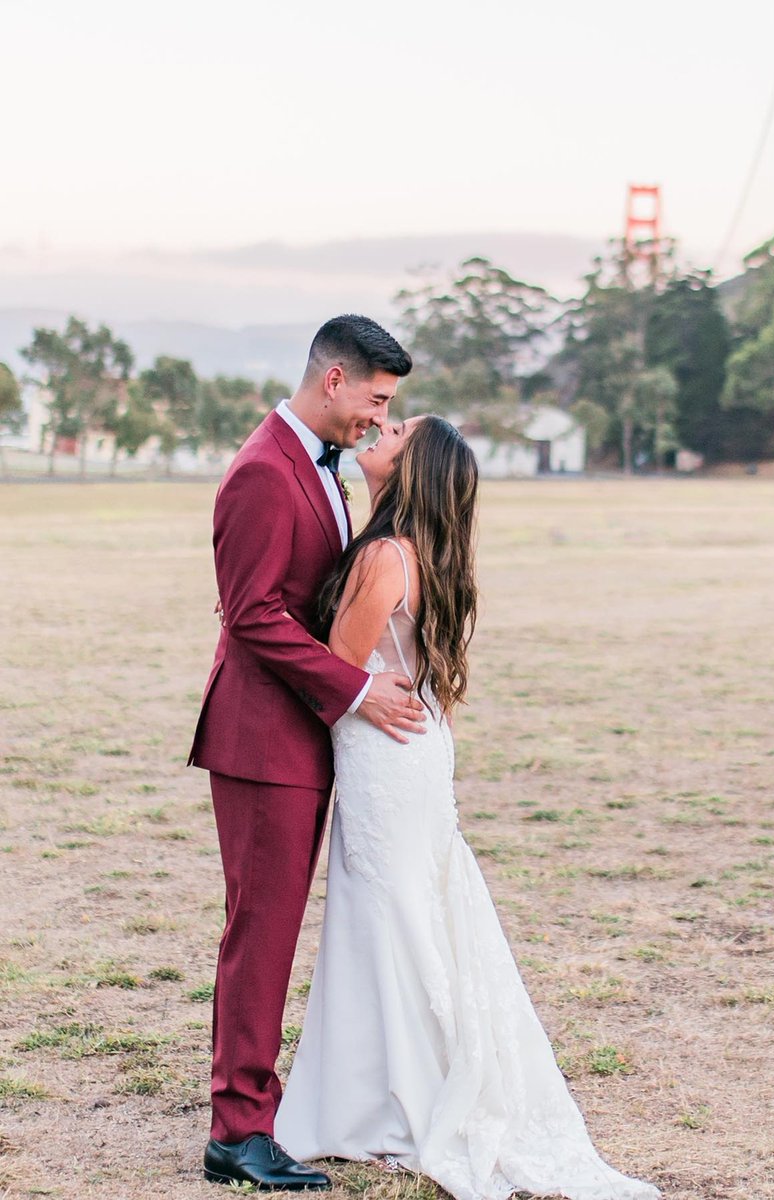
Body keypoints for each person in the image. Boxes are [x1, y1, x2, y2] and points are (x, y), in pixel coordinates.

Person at [274, 415, 661, 1200]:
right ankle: (383, 1089)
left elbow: (338, 670)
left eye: (398, 430)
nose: (380, 429)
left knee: (386, 920)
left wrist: (265, 629)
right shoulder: (428, 553)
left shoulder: (384, 556)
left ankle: (395, 1100)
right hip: (416, 749)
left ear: (410, 469)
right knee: (408, 916)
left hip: (386, 755)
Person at [189, 314, 426, 1192]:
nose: (377, 417)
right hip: (262, 741)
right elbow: (251, 618)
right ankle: (238, 1132)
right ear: (335, 380)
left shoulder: (321, 467)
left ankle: (263, 1106)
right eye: (376, 398)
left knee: (278, 931)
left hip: (303, 736)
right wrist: (358, 691)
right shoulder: (260, 472)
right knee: (262, 934)